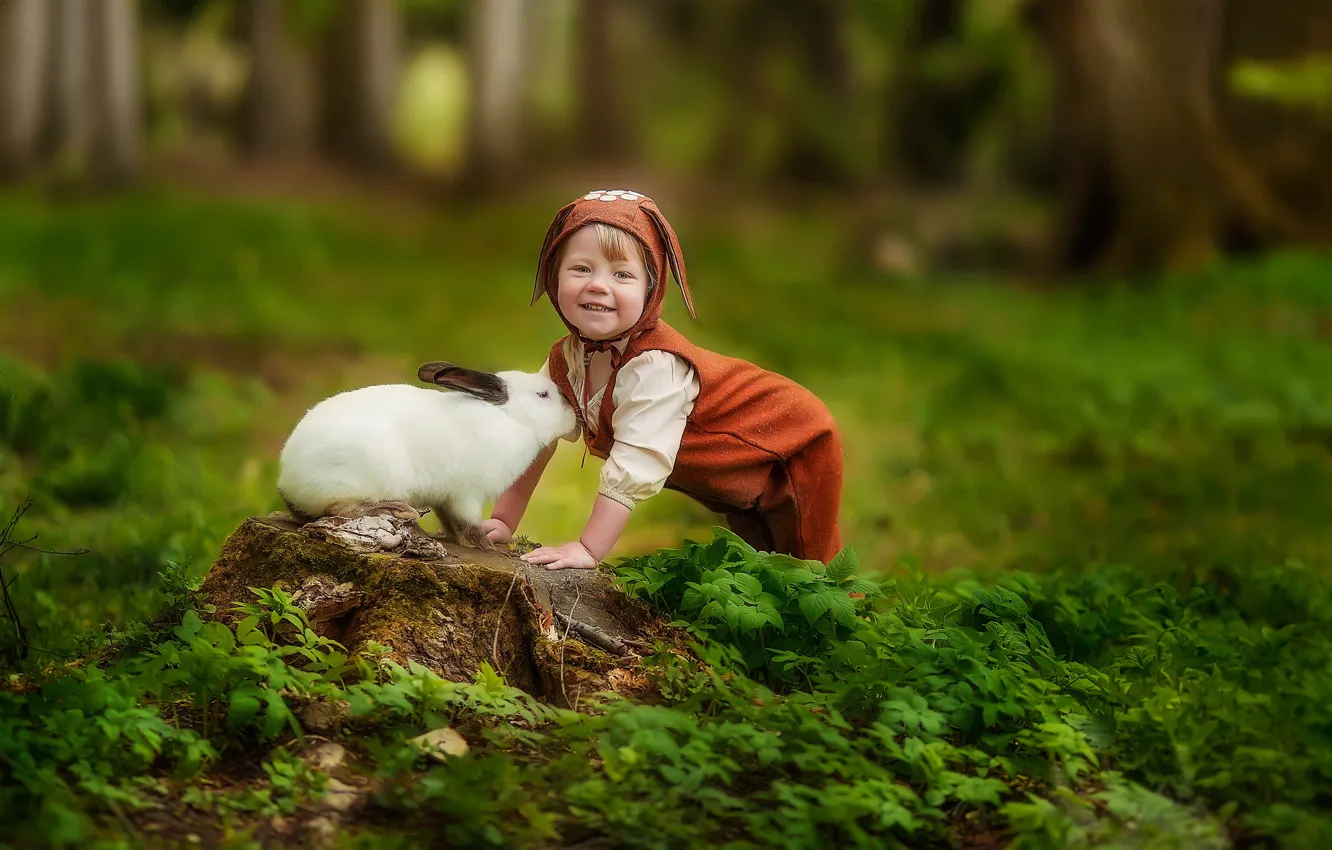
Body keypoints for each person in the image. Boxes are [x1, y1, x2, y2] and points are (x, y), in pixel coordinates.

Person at [481, 188, 843, 569]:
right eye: (581, 269)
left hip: (789, 441)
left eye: (622, 274)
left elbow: (635, 461)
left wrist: (588, 548)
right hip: (722, 469)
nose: (598, 285)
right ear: (555, 277)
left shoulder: (656, 367)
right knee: (756, 562)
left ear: (651, 289)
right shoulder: (568, 357)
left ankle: (845, 622)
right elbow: (535, 434)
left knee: (808, 569)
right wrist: (504, 520)